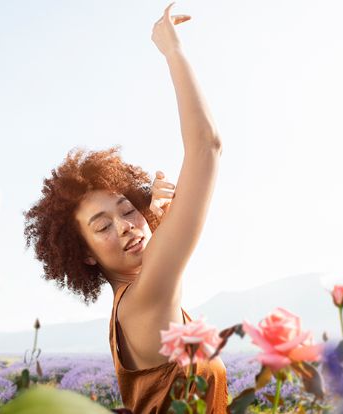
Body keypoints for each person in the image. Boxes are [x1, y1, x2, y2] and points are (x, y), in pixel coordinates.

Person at [23, 3, 226, 412]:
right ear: (84, 254)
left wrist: (155, 216)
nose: (126, 227)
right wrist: (173, 50)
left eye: (127, 210)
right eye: (102, 227)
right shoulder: (145, 299)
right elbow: (207, 147)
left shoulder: (129, 310)